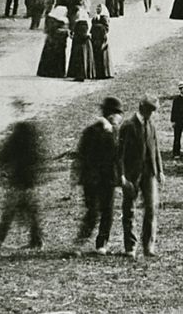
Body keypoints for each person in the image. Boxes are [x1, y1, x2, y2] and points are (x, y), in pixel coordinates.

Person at [0, 100, 45, 251]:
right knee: (28, 210)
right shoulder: (26, 129)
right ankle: (36, 240)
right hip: (25, 178)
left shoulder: (23, 130)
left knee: (10, 211)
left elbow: (9, 152)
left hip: (21, 178)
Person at [74, 96, 124, 254]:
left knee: (103, 212)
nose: (120, 118)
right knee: (96, 212)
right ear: (111, 115)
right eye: (118, 114)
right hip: (97, 179)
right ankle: (86, 244)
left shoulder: (112, 131)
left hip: (103, 179)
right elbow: (83, 155)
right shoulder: (96, 131)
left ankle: (98, 244)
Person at [119, 94, 164, 259]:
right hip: (132, 175)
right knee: (129, 209)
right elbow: (120, 154)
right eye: (150, 111)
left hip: (149, 173)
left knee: (152, 208)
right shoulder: (128, 126)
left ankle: (148, 246)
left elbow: (155, 148)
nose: (152, 115)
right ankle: (130, 247)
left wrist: (159, 170)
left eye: (153, 112)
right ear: (142, 109)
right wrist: (122, 176)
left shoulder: (151, 124)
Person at [67, 5, 96, 82]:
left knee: (81, 60)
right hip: (82, 43)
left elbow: (81, 34)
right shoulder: (84, 22)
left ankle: (80, 75)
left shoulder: (81, 23)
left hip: (80, 44)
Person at [90, 5, 114, 79]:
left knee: (103, 54)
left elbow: (106, 28)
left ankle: (105, 73)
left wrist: (97, 26)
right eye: (97, 8)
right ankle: (97, 73)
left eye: (99, 8)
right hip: (95, 38)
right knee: (96, 54)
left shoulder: (104, 17)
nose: (97, 9)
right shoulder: (95, 17)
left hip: (102, 38)